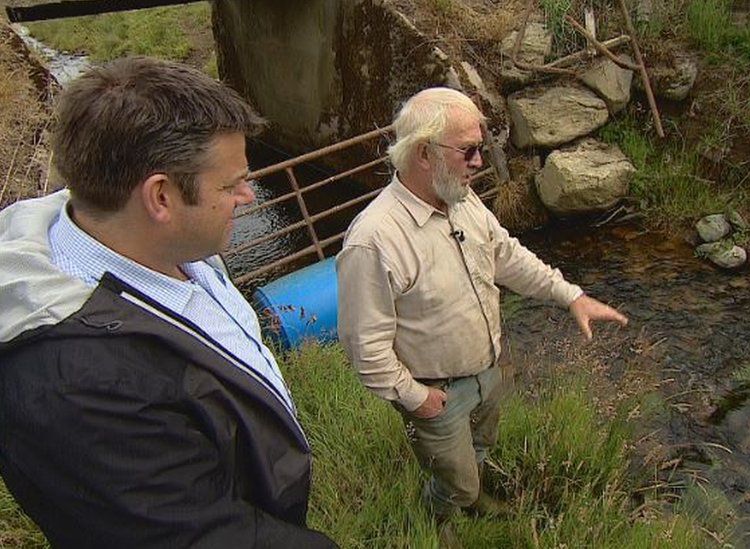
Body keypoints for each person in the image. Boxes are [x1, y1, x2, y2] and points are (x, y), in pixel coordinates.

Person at [0, 57, 336, 548]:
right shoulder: (78, 387)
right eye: (229, 184)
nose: (247, 195)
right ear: (161, 198)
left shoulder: (161, 244)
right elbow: (200, 536)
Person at [337, 87, 628, 526]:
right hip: (436, 391)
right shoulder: (374, 241)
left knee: (481, 448)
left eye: (483, 147)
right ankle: (442, 516)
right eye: (469, 150)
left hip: (489, 369)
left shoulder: (461, 197)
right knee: (458, 479)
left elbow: (505, 256)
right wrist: (418, 399)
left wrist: (572, 296)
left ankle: (467, 497)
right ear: (423, 154)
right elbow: (366, 348)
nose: (480, 162)